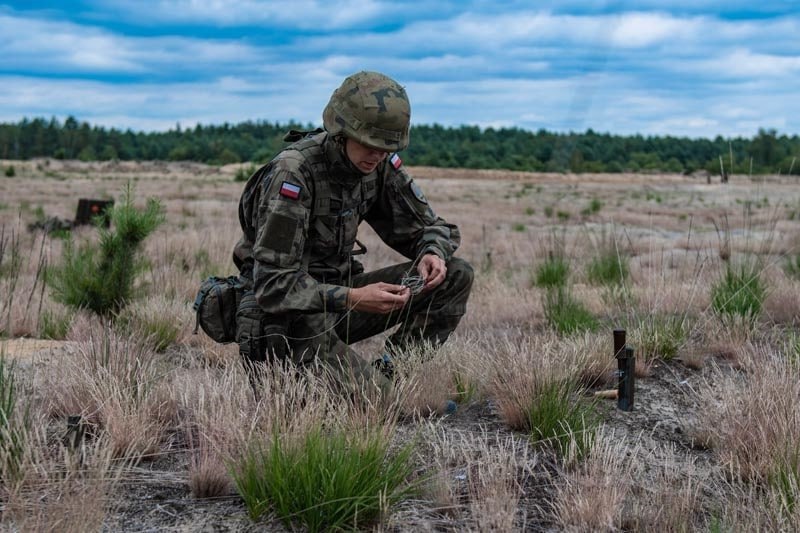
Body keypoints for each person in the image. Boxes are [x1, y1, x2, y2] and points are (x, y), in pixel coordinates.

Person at [232, 70, 473, 386]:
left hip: (339, 302)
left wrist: (432, 251)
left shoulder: (377, 165)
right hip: (285, 319)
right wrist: (353, 298)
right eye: (370, 144)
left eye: (386, 147)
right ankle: (376, 393)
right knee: (374, 404)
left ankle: (389, 377)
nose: (378, 155)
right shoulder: (293, 174)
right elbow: (273, 285)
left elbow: (432, 228)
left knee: (456, 274)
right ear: (341, 132)